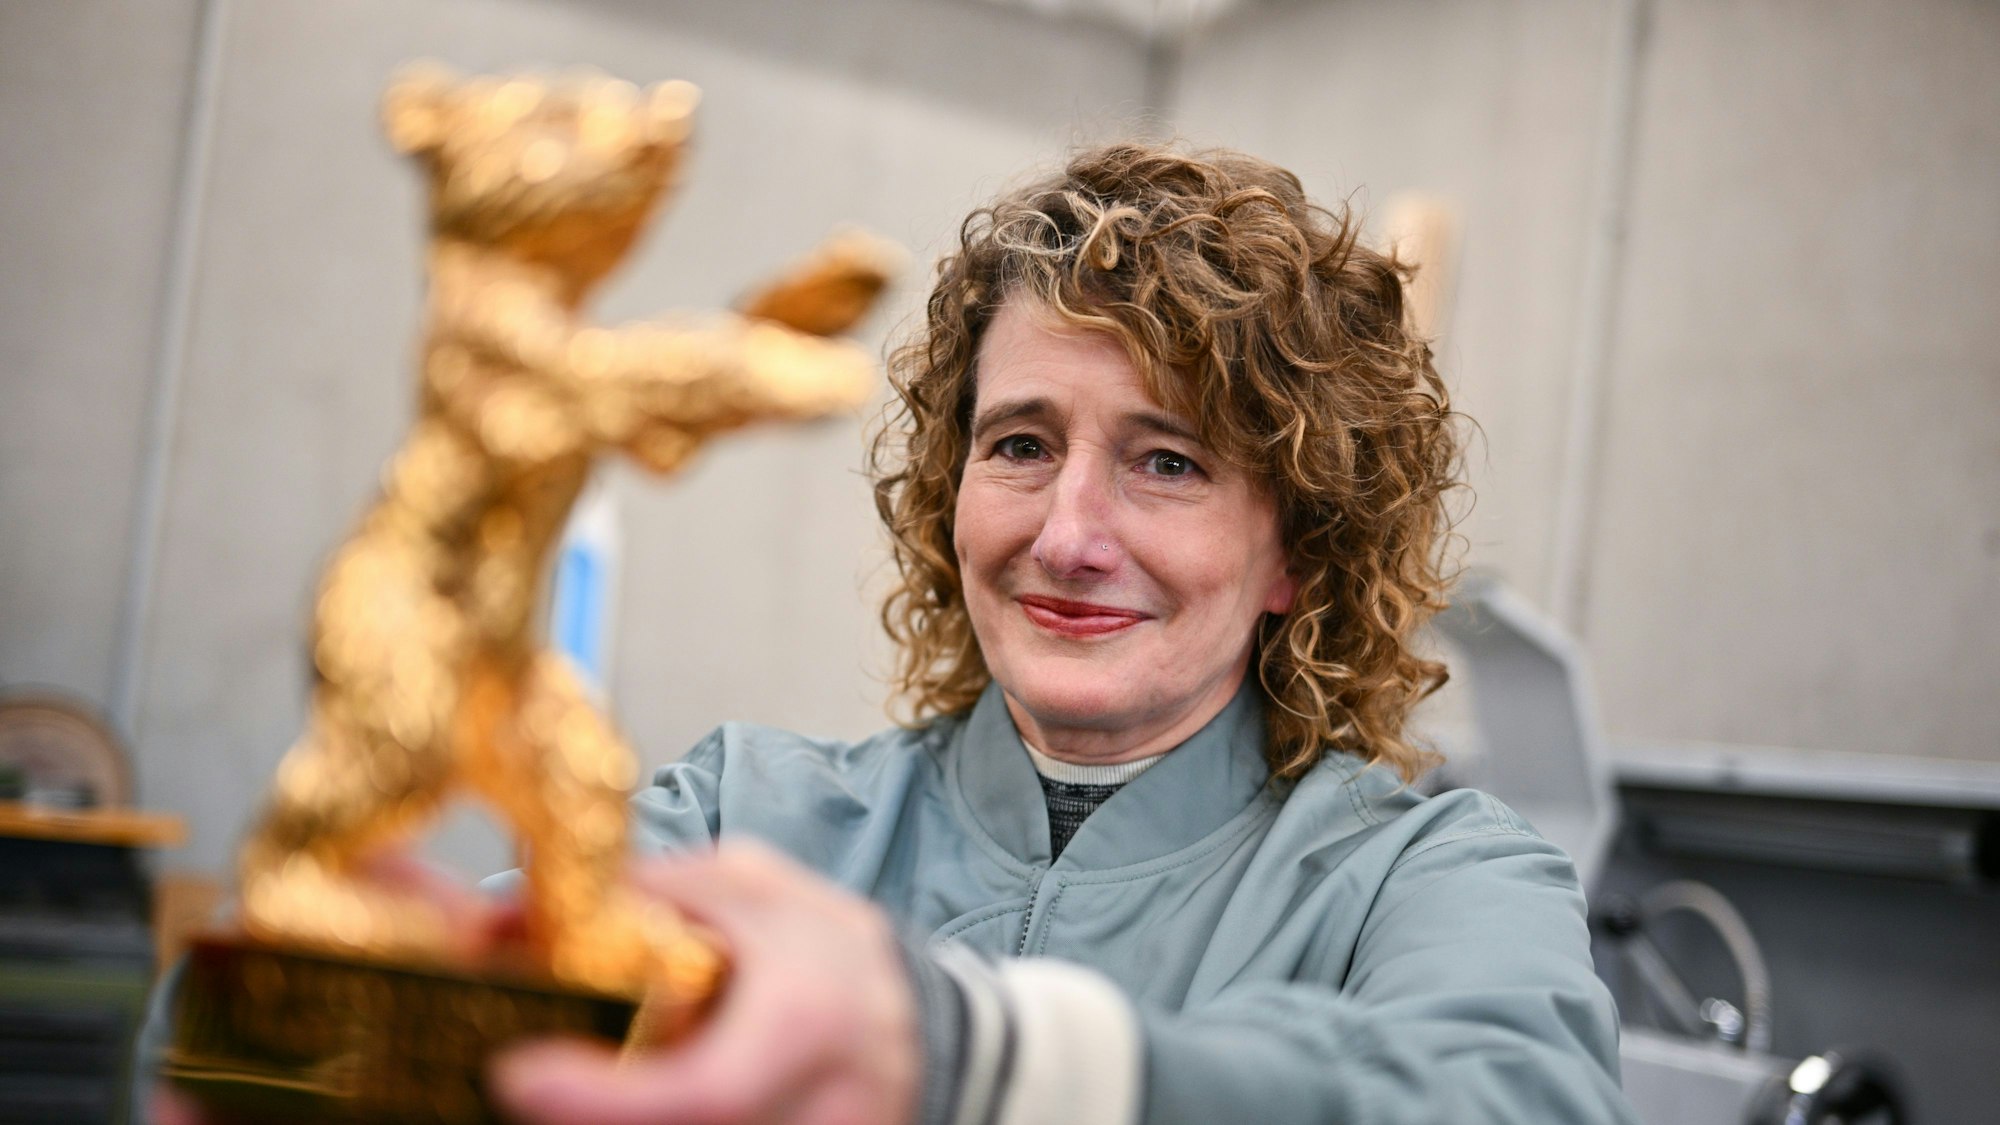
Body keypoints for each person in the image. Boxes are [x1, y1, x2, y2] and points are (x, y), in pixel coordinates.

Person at [150, 142, 1636, 1125]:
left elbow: (1510, 1102)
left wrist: (974, 1052)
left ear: (1298, 552)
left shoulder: (1422, 877)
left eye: (1167, 460)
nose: (1067, 531)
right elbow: (228, 1045)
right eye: (1021, 443)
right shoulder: (750, 818)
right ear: (950, 492)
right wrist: (293, 1032)